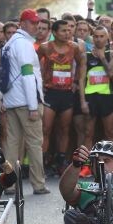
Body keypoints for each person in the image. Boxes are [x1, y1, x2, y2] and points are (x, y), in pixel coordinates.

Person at [2, 9, 47, 194]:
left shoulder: (10, 43)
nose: (36, 26)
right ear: (22, 24)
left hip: (12, 100)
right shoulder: (25, 45)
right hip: (26, 101)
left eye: (37, 23)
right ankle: (38, 184)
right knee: (35, 143)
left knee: (12, 144)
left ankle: (9, 183)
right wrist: (33, 105)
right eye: (32, 22)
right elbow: (28, 76)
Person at [38, 19, 83, 174]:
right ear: (54, 32)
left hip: (66, 93)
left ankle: (61, 161)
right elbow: (35, 64)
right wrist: (40, 82)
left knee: (64, 129)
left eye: (69, 30)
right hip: (50, 93)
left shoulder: (74, 47)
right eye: (63, 30)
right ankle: (42, 162)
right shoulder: (45, 48)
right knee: (46, 128)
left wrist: (76, 81)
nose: (67, 33)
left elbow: (81, 63)